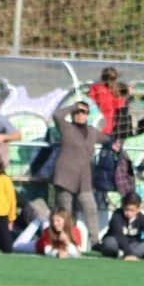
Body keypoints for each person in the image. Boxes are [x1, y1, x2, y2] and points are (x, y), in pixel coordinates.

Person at [51, 100, 105, 239]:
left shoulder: (92, 131)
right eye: (77, 112)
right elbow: (57, 115)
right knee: (65, 211)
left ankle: (95, 241)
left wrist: (114, 143)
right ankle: (65, 239)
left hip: (84, 178)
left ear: (87, 115)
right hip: (65, 176)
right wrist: (73, 107)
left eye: (83, 112)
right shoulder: (66, 127)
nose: (80, 115)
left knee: (91, 208)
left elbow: (106, 139)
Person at [99, 193, 144, 260]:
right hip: (117, 244)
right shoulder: (117, 215)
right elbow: (118, 235)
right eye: (126, 209)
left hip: (133, 246)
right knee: (109, 242)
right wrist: (128, 253)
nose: (129, 213)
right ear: (123, 206)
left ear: (138, 209)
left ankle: (125, 254)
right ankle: (124, 253)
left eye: (132, 210)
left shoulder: (142, 218)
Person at [88, 67, 131, 135]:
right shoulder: (108, 91)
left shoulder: (96, 88)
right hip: (106, 126)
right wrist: (125, 96)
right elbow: (118, 105)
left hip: (95, 124)